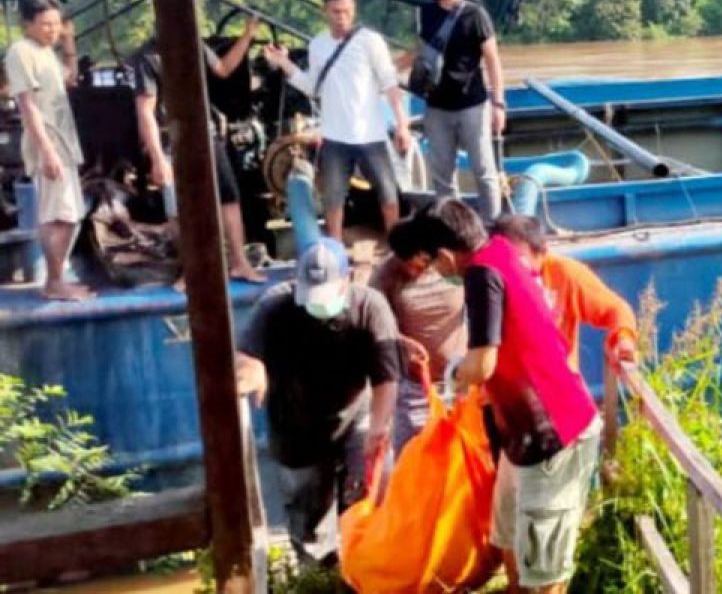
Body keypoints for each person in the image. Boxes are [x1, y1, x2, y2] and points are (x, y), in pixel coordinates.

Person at [393, 199, 600, 594]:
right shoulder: (500, 250)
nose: (437, 273)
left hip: (554, 436)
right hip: (521, 437)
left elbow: (482, 364)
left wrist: (454, 376)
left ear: (446, 256)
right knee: (506, 538)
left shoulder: (481, 273)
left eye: (434, 265)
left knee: (544, 575)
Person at [235, 237, 400, 566]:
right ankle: (319, 579)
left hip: (357, 416)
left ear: (347, 279)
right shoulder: (276, 306)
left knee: (371, 505)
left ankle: (369, 575)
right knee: (310, 529)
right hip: (295, 425)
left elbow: (386, 379)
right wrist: (252, 372)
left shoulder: (369, 307)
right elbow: (244, 356)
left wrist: (378, 431)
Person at [263, 0, 411, 240]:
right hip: (334, 137)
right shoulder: (317, 45)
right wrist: (284, 64)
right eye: (335, 12)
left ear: (353, 10)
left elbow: (390, 83)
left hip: (370, 134)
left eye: (346, 11)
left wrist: (402, 125)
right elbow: (313, 87)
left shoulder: (370, 41)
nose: (341, 17)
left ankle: (396, 246)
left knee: (388, 194)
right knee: (333, 200)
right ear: (325, 11)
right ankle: (336, 250)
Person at [129, 16, 265, 283]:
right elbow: (145, 110)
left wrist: (247, 36)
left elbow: (223, 69)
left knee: (229, 199)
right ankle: (190, 272)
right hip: (173, 140)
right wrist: (157, 157)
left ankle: (239, 262)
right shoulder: (147, 58)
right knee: (180, 209)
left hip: (207, 132)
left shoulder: (194, 44)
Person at [399, 0, 505, 221]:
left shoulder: (475, 14)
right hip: (436, 106)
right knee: (443, 175)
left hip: (472, 105)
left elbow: (493, 60)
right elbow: (421, 51)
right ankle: (453, 228)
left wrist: (498, 104)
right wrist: (385, 69)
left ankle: (492, 225)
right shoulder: (427, 12)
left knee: (484, 170)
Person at [3, 0, 92, 300]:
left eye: (56, 24)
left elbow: (72, 78)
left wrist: (69, 43)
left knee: (71, 214)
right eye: (45, 25)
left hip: (65, 141)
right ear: (27, 24)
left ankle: (57, 278)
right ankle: (54, 281)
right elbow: (27, 107)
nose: (52, 30)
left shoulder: (45, 52)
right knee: (60, 215)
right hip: (49, 143)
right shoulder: (21, 52)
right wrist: (47, 150)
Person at [492, 215, 637, 373]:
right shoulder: (488, 279)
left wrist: (623, 339)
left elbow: (616, 309)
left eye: (517, 260)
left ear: (542, 252)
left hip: (557, 385)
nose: (509, 268)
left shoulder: (564, 273)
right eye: (501, 260)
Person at [369, 223, 467, 452]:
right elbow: (373, 325)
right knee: (415, 458)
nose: (414, 272)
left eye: (420, 264)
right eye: (406, 267)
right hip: (415, 390)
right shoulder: (386, 275)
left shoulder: (452, 265)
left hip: (461, 381)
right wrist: (400, 341)